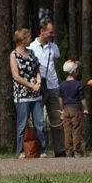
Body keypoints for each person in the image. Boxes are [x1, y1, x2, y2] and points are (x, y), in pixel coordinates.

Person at [29, 19, 65, 157]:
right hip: (39, 87)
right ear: (42, 31)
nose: (52, 34)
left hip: (53, 86)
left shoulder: (54, 48)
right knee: (38, 120)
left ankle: (60, 150)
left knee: (56, 119)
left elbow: (54, 63)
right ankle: (37, 149)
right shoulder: (32, 47)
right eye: (50, 32)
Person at [10, 28, 46, 159]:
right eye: (28, 37)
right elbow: (16, 76)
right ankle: (20, 151)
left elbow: (37, 69)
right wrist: (31, 85)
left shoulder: (31, 53)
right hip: (22, 95)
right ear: (22, 40)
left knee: (39, 123)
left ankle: (42, 149)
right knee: (22, 124)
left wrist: (38, 83)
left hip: (36, 94)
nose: (30, 39)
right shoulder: (13, 55)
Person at [59, 60, 88, 158]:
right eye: (76, 70)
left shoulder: (62, 85)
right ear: (73, 72)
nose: (77, 71)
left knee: (67, 131)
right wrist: (85, 109)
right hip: (76, 109)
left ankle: (68, 151)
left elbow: (60, 99)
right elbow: (82, 99)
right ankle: (77, 150)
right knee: (76, 130)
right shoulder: (78, 84)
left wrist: (62, 110)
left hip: (66, 109)